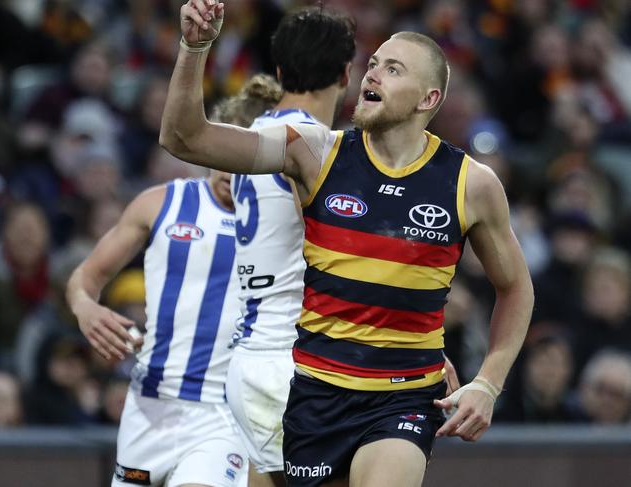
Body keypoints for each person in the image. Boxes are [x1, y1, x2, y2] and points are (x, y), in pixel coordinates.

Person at [159, 2, 534, 486]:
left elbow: (516, 288)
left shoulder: (471, 184)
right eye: (372, 64)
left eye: (392, 69)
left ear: (428, 98)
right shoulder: (314, 151)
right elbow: (183, 138)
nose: (371, 74)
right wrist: (194, 48)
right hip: (316, 394)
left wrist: (488, 382)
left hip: (403, 396)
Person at [66, 76, 282, 487]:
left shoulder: (283, 224)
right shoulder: (163, 202)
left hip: (223, 412)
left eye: (241, 161)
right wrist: (85, 306)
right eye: (222, 154)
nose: (228, 171)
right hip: (149, 405)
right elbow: (86, 277)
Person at [223, 8, 355, 487]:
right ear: (346, 73)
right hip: (297, 359)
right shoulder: (313, 142)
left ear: (279, 72)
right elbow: (337, 251)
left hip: (249, 357)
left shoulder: (251, 138)